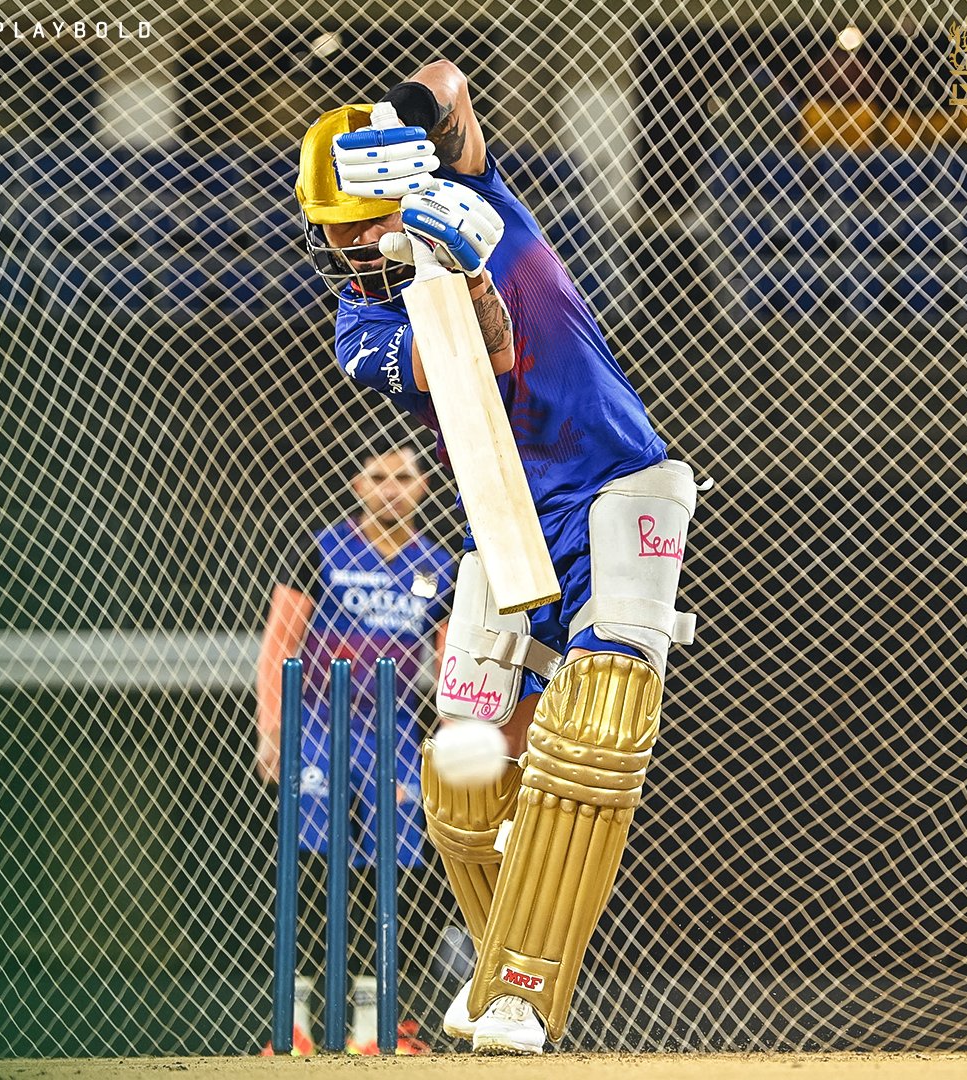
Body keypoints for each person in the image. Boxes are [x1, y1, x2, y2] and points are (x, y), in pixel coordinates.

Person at [294, 59, 702, 1055]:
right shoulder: (359, 325)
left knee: (601, 726)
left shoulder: (472, 190)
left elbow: (451, 80)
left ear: (398, 183)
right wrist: (455, 274)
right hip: (501, 524)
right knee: (463, 781)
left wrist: (410, 127)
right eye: (334, 225)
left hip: (614, 484)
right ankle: (489, 975)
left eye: (360, 216)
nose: (349, 241)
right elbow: (473, 351)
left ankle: (523, 987)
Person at [256, 438, 452, 1055]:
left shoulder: (438, 566)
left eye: (402, 476)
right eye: (376, 476)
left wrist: (452, 733)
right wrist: (271, 729)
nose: (389, 487)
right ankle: (295, 1023)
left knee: (390, 872)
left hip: (393, 733)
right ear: (357, 486)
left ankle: (376, 1025)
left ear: (422, 488)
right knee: (311, 866)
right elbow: (279, 642)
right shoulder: (321, 548)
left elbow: (450, 659)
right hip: (318, 723)